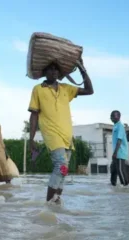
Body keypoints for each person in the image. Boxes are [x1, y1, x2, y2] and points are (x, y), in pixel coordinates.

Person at [28, 59, 94, 204]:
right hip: (51, 133)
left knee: (64, 171)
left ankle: (56, 201)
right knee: (61, 165)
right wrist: (31, 138)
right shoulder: (38, 89)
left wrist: (82, 69)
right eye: (50, 69)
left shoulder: (66, 88)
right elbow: (34, 114)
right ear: (44, 72)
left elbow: (90, 90)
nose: (53, 71)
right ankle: (48, 203)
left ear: (59, 73)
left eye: (56, 69)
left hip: (67, 136)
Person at [110, 110, 129, 187]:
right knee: (113, 169)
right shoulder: (115, 126)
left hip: (120, 152)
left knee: (120, 170)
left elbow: (119, 140)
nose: (111, 118)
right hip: (116, 152)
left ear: (118, 117)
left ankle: (125, 186)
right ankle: (113, 185)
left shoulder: (120, 126)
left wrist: (115, 152)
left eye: (113, 116)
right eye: (111, 116)